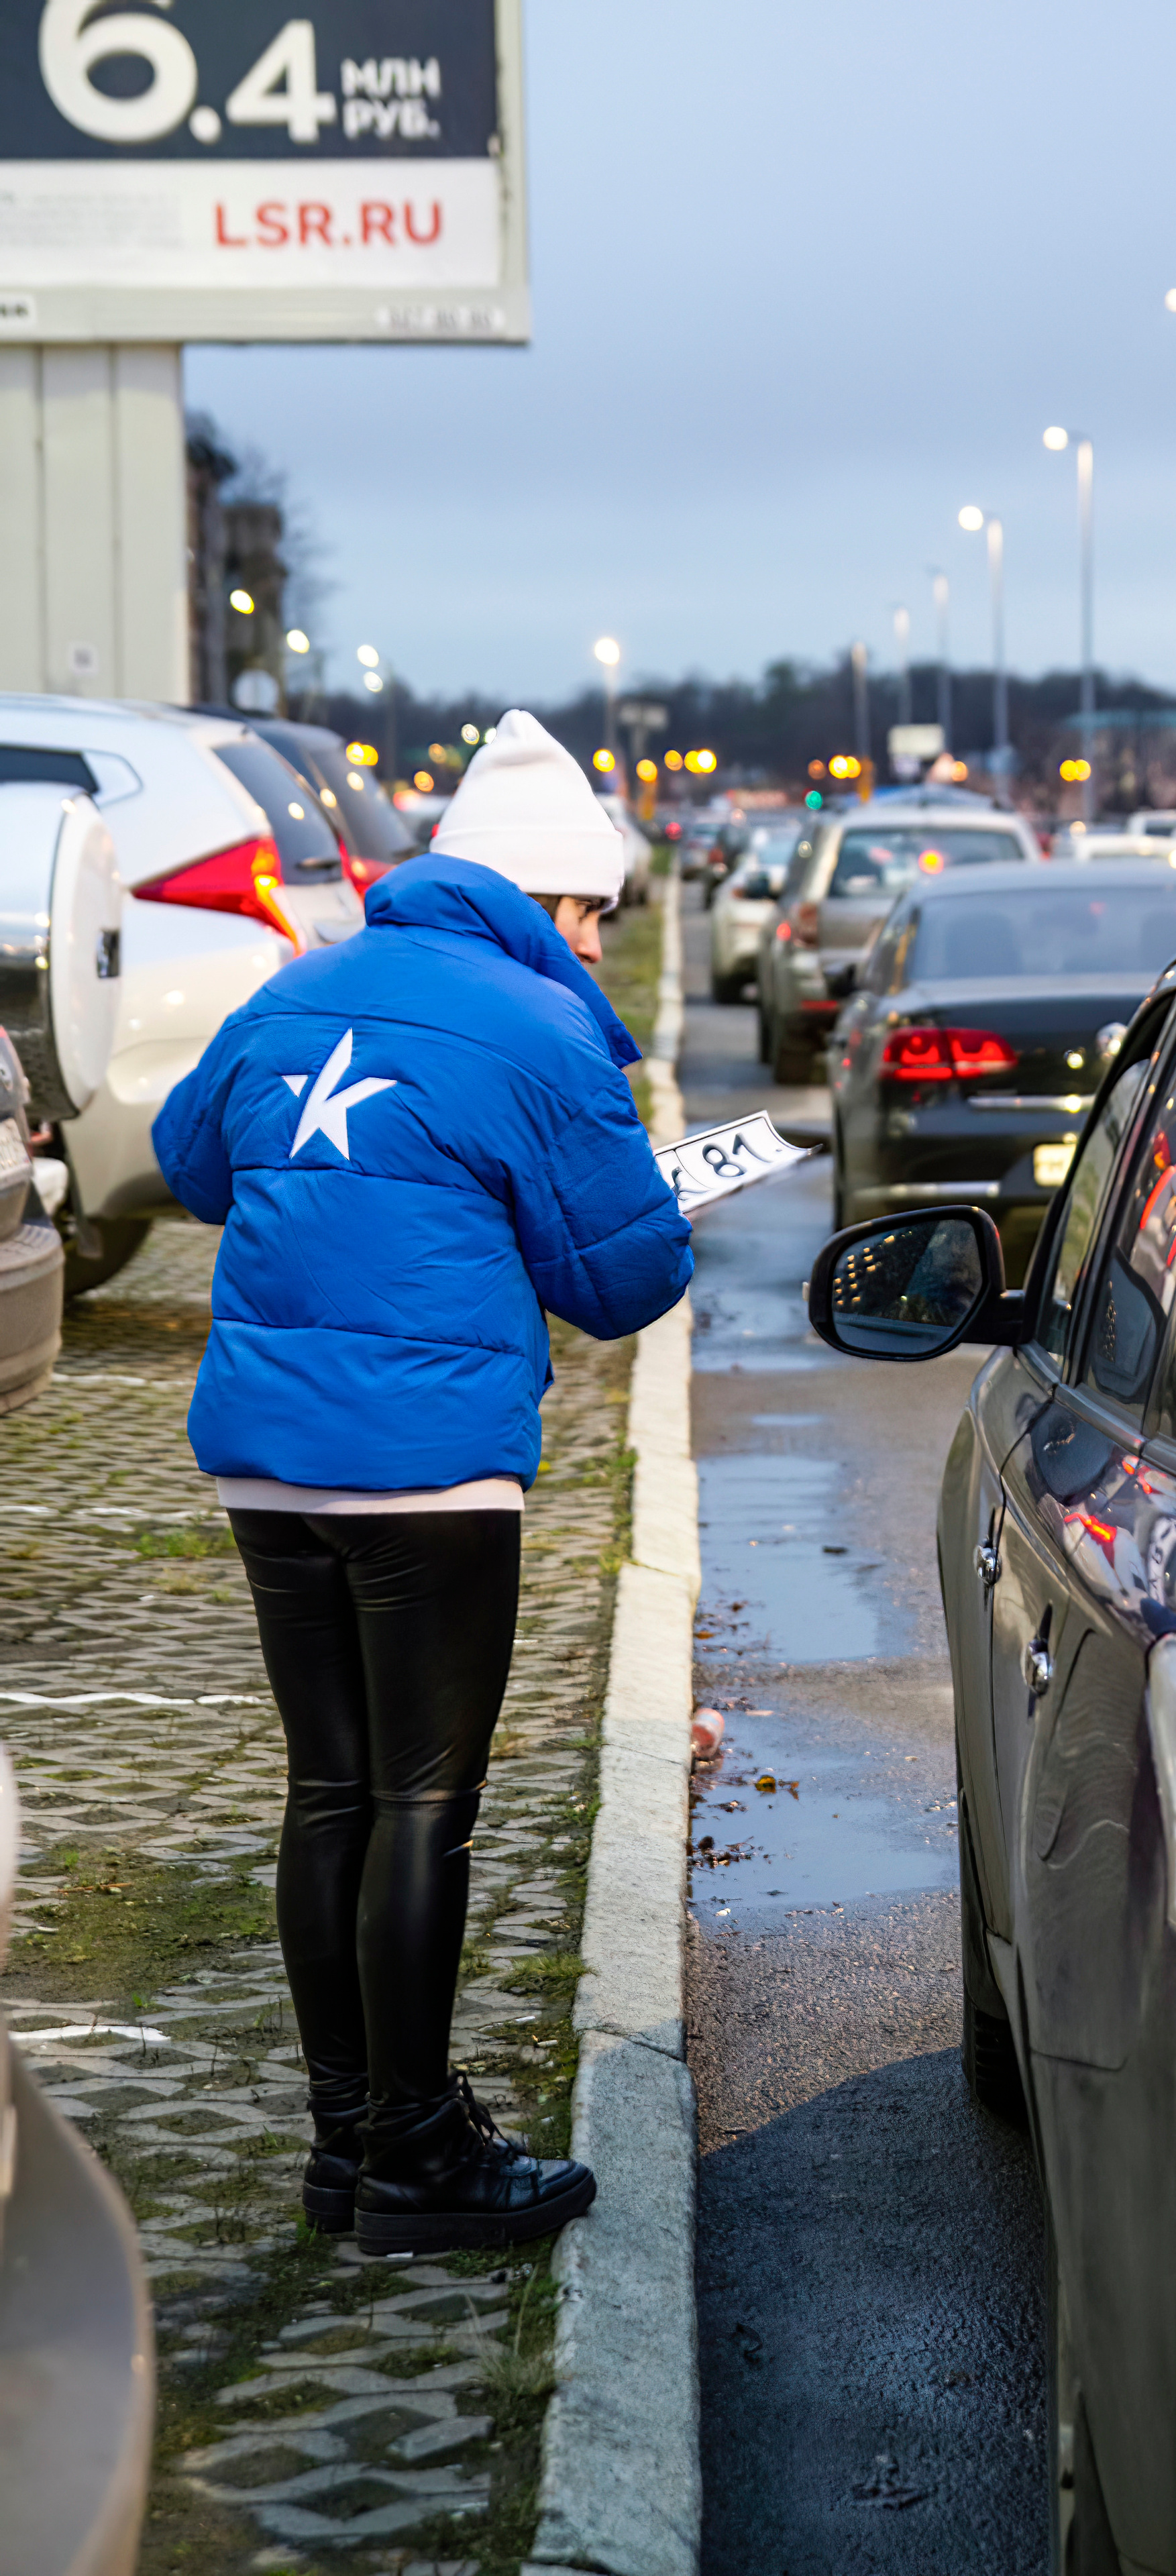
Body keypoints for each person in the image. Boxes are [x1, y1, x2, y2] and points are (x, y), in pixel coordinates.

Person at [154, 710, 692, 2255]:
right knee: (421, 1807)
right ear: (559, 904)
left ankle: (346, 2145)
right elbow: (622, 1278)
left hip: (265, 1462)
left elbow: (199, 1165)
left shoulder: (294, 989)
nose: (594, 944)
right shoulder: (540, 1028)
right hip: (429, 1473)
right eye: (595, 914)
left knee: (326, 1792)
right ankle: (415, 2156)